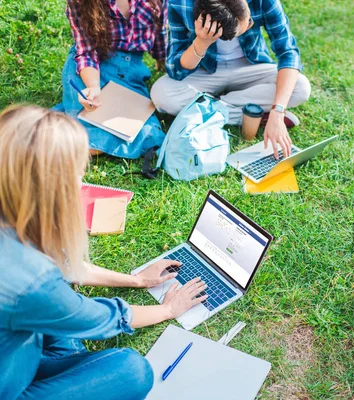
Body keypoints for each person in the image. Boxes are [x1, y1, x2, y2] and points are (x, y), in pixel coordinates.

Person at [0, 105, 208, 400]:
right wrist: (168, 310)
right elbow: (100, 317)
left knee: (62, 313)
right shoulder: (31, 282)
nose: (80, 183)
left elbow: (65, 265)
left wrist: (136, 280)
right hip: (12, 385)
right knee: (132, 371)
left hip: (15, 351)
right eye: (76, 173)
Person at [150, 0, 311, 159]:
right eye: (246, 24)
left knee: (300, 87)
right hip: (202, 70)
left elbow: (288, 53)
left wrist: (278, 111)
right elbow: (175, 69)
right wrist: (201, 42)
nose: (249, 25)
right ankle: (252, 115)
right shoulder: (181, 3)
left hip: (250, 66)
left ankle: (204, 107)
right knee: (162, 94)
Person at [55, 0, 168, 158]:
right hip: (93, 69)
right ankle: (71, 138)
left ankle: (69, 136)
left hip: (130, 75)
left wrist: (162, 61)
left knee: (149, 135)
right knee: (87, 117)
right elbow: (86, 52)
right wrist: (93, 86)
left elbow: (159, 32)